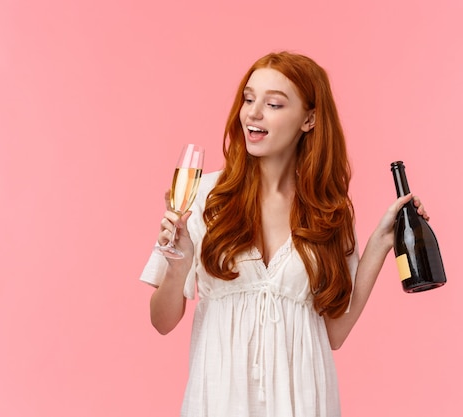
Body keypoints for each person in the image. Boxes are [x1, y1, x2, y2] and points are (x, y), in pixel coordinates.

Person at [140, 51, 429, 417]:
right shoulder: (202, 197)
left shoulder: (329, 212)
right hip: (218, 401)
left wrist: (380, 244)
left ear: (309, 119)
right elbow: (161, 321)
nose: (253, 113)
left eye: (273, 103)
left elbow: (334, 334)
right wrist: (177, 264)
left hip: (304, 402)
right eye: (248, 99)